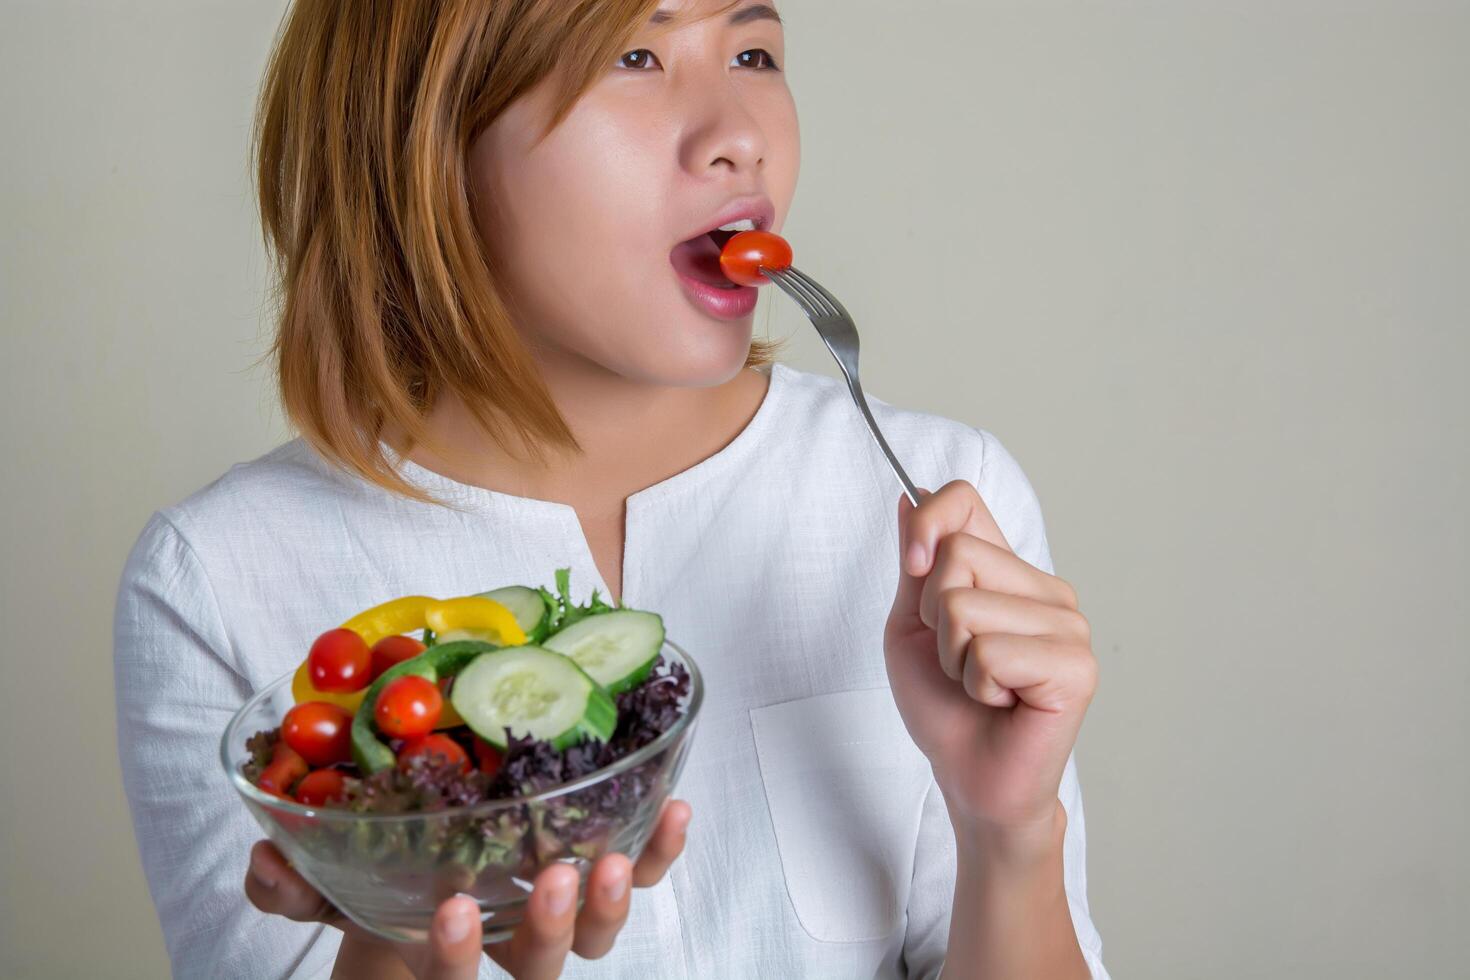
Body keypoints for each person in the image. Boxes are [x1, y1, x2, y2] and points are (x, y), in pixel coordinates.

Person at [113, 1, 1108, 977]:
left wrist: (1010, 830)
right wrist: (390, 947)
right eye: (635, 54)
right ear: (426, 127)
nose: (738, 139)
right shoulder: (216, 578)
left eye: (755, 52)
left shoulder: (948, 502)